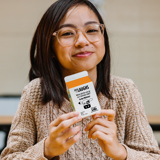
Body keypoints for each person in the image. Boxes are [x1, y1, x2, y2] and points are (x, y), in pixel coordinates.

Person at [1, 0, 160, 159]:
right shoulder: (34, 93)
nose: (82, 41)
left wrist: (121, 152)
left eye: (91, 30)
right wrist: (46, 149)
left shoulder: (125, 90)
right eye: (68, 33)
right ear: (50, 47)